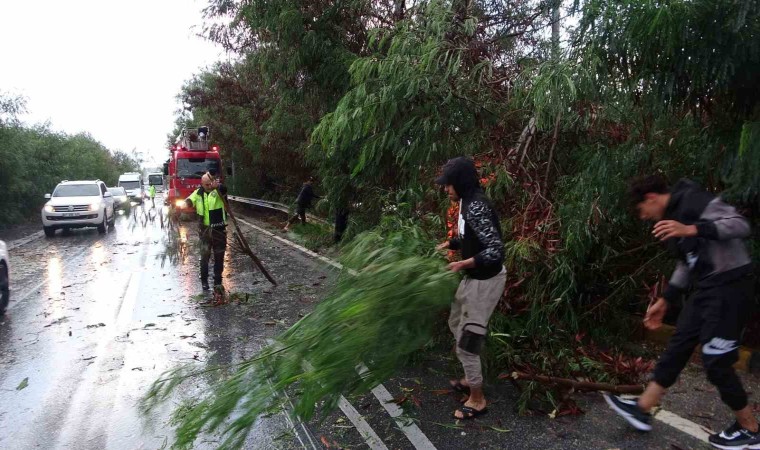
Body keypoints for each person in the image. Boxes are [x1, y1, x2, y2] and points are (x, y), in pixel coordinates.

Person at [605, 175, 757, 449]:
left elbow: (740, 225)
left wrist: (692, 229)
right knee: (678, 346)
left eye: (643, 212)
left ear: (651, 199)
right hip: (705, 289)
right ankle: (642, 408)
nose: (644, 218)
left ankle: (750, 429)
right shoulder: (672, 220)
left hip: (730, 284)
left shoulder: (692, 200)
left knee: (716, 360)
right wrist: (666, 300)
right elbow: (687, 264)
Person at [435, 157, 506, 420]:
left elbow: (496, 251)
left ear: (461, 183)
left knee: (467, 341)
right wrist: (451, 244)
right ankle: (469, 375)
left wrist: (464, 262)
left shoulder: (476, 206)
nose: (446, 190)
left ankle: (477, 399)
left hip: (486, 280)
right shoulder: (465, 201)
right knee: (455, 321)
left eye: (449, 185)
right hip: (472, 276)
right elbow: (469, 236)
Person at [185, 172, 229, 303]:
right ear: (202, 184)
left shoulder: (218, 190)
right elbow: (190, 200)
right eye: (206, 185)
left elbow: (224, 189)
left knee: (219, 256)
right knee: (204, 256)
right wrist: (185, 204)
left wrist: (217, 186)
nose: (209, 186)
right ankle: (204, 281)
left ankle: (217, 281)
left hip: (218, 229)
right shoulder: (198, 193)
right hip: (204, 231)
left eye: (210, 184)